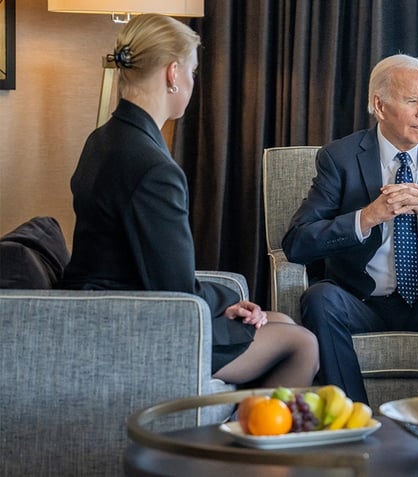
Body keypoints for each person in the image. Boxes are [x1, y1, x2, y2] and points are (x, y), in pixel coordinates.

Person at [61, 14, 318, 389]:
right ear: (172, 73)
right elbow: (178, 293)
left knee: (283, 323)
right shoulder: (153, 168)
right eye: (193, 72)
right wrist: (228, 298)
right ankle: (248, 445)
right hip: (137, 327)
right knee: (302, 344)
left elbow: (155, 271)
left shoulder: (103, 138)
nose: (193, 83)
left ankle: (246, 436)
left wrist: (225, 301)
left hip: (110, 309)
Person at [281, 54, 418, 404]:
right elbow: (297, 242)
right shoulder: (340, 158)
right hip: (364, 301)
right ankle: (353, 420)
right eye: (411, 100)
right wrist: (368, 216)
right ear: (380, 106)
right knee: (320, 298)